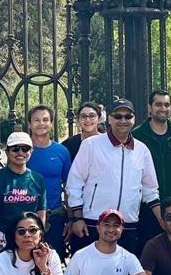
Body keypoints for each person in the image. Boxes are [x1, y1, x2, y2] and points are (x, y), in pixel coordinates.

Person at [66, 99, 161, 257]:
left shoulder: (142, 150)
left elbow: (150, 189)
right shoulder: (91, 145)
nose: (123, 120)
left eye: (127, 116)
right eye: (118, 116)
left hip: (127, 225)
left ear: (134, 119)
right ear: (109, 118)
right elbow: (74, 183)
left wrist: (162, 219)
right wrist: (77, 218)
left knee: (124, 271)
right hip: (93, 222)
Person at [133, 89, 171, 247]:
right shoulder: (137, 135)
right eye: (158, 104)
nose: (163, 108)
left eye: (166, 104)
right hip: (145, 208)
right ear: (150, 107)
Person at [0, 131, 47, 253]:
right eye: (15, 149)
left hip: (29, 239)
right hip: (2, 238)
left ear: (31, 151)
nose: (20, 152)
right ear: (7, 151)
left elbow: (41, 213)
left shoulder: (38, 179)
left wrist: (37, 240)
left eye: (25, 149)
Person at [26, 104, 73, 258]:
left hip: (54, 216)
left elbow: (69, 187)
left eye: (45, 120)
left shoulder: (61, 152)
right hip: (26, 218)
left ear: (51, 123)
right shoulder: (21, 150)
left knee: (53, 262)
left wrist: (71, 218)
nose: (41, 123)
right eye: (36, 120)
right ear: (29, 124)